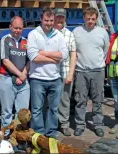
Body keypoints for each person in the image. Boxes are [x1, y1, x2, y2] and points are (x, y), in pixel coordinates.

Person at [27, 7, 68, 138]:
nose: (49, 23)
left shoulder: (59, 35)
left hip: (55, 79)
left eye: (51, 21)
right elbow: (34, 57)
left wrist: (44, 53)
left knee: (53, 109)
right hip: (37, 79)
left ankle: (51, 134)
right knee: (37, 110)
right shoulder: (33, 34)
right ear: (41, 19)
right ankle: (38, 135)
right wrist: (54, 59)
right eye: (46, 20)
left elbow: (64, 55)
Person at [72, 7, 109, 137]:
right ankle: (80, 125)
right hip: (81, 71)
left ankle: (98, 125)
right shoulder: (77, 32)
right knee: (80, 100)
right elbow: (73, 51)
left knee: (98, 99)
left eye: (93, 19)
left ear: (96, 19)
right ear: (84, 18)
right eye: (88, 18)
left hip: (98, 71)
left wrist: (97, 63)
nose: (90, 21)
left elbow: (105, 50)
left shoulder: (102, 33)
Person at [0, 16, 30, 136]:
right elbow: (5, 60)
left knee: (22, 112)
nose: (17, 30)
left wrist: (24, 74)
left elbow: (30, 60)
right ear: (10, 27)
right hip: (7, 78)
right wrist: (19, 75)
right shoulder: (5, 40)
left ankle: (19, 137)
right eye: (15, 28)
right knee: (6, 112)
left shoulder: (25, 42)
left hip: (23, 80)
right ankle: (5, 136)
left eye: (20, 28)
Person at [54, 8, 77, 136]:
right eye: (57, 16)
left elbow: (73, 55)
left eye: (62, 17)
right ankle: (52, 124)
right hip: (50, 75)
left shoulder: (69, 34)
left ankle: (64, 124)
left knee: (64, 100)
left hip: (65, 73)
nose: (59, 19)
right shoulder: (48, 33)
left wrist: (70, 73)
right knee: (50, 101)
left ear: (65, 18)